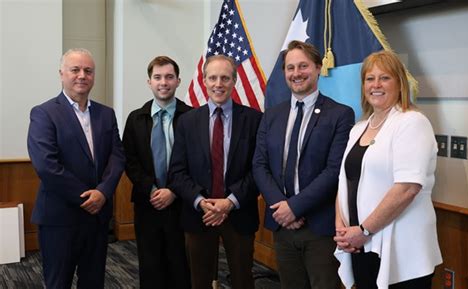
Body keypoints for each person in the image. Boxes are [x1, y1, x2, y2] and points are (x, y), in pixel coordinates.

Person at [333, 50, 442, 289]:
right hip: (361, 243)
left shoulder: (412, 122)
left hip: (401, 250)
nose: (376, 85)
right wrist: (341, 228)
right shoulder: (359, 128)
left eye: (385, 78)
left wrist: (363, 229)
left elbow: (407, 188)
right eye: (369, 79)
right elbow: (345, 180)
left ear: (399, 83)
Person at [253, 40, 354, 289]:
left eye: (303, 66)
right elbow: (259, 164)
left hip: (319, 226)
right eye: (290, 68)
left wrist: (295, 208)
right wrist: (283, 209)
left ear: (318, 68)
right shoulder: (272, 115)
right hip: (282, 225)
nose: (296, 73)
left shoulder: (340, 114)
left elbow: (333, 171)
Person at [27, 48, 125, 289]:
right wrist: (86, 197)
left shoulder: (106, 114)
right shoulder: (44, 113)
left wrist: (102, 192)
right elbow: (46, 165)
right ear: (61, 74)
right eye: (75, 69)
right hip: (60, 219)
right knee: (58, 282)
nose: (82, 75)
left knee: (93, 282)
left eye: (88, 71)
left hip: (98, 217)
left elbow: (117, 156)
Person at [168, 55, 262, 289]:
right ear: (204, 81)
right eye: (213, 78)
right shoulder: (187, 122)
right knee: (199, 281)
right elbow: (177, 172)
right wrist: (202, 202)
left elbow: (258, 169)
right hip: (199, 214)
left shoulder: (254, 119)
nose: (218, 83)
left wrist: (229, 203)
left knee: (243, 279)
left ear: (234, 81)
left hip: (239, 213)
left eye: (224, 78)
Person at [122, 56, 191, 289]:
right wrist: (151, 189)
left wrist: (173, 190)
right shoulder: (135, 119)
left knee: (180, 263)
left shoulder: (192, 118)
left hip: (181, 203)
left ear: (178, 81)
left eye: (169, 77)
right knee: (150, 264)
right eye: (158, 77)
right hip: (147, 202)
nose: (164, 82)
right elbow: (129, 160)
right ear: (149, 82)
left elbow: (196, 162)